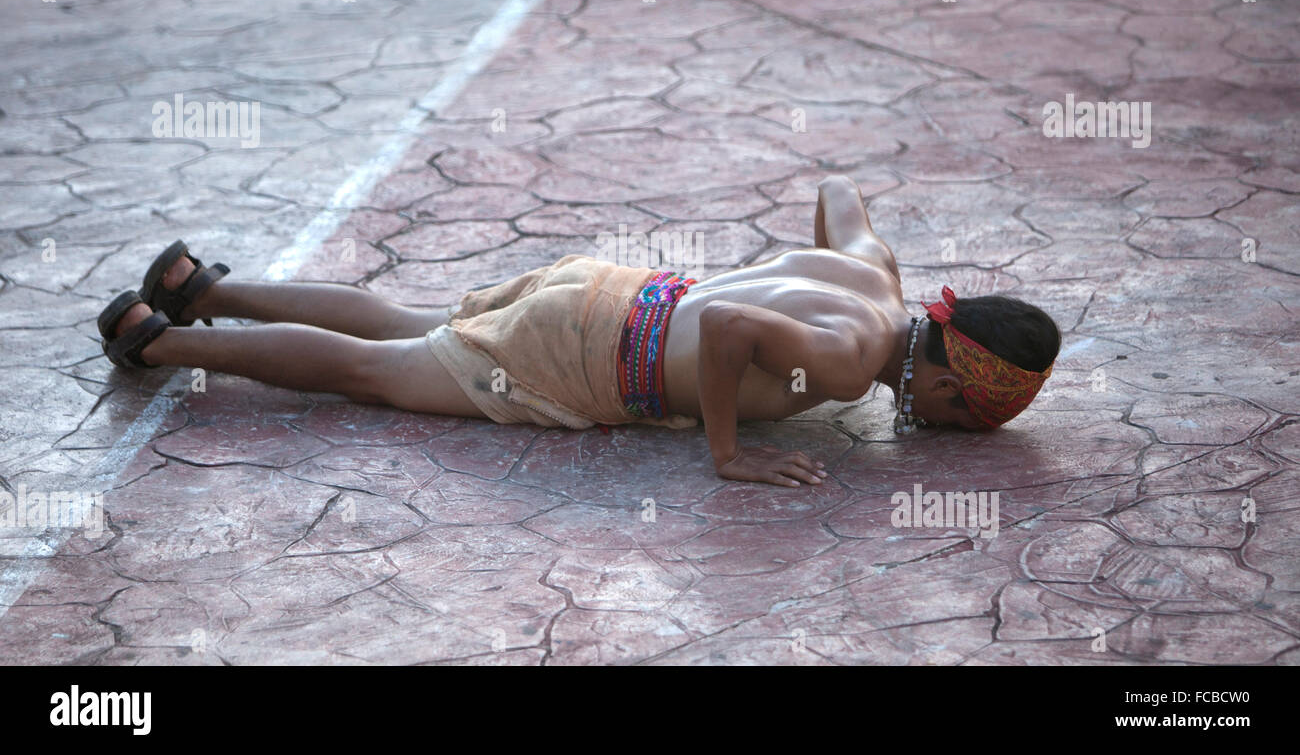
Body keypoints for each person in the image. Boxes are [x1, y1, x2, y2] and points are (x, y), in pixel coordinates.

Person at [99, 175, 1059, 487]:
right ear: (944, 382)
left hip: (607, 290)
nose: (952, 430)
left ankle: (198, 287)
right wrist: (728, 452)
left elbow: (837, 191)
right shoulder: (853, 364)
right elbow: (727, 327)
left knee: (408, 321)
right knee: (378, 371)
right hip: (590, 357)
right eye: (968, 418)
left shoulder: (870, 274)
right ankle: (160, 339)